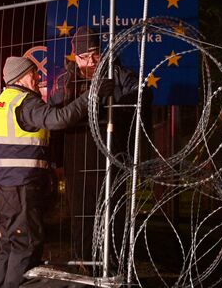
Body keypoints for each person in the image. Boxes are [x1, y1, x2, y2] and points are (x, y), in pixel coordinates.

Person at [0, 55, 113, 288]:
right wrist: (92, 95)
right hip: (20, 189)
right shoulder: (25, 102)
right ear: (21, 77)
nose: (37, 78)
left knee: (9, 247)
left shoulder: (0, 104)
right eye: (33, 74)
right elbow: (59, 119)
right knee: (25, 246)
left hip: (0, 189)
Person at [49, 26, 150, 268]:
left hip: (109, 155)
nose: (92, 61)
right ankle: (85, 263)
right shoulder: (64, 81)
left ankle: (112, 263)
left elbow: (142, 94)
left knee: (112, 212)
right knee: (81, 215)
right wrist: (56, 161)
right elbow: (54, 116)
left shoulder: (116, 73)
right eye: (85, 56)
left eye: (95, 53)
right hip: (77, 158)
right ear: (75, 55)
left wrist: (112, 110)